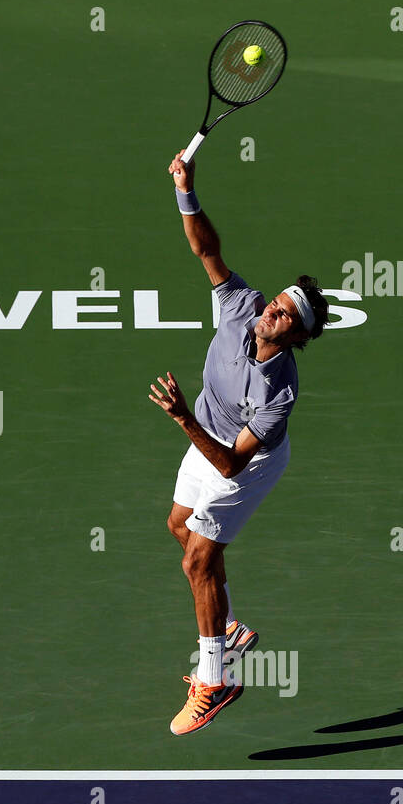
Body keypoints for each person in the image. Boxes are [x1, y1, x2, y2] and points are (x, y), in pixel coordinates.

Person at [148, 149, 329, 736]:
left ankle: (215, 679)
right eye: (273, 302)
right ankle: (229, 631)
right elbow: (207, 250)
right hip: (210, 436)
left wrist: (181, 418)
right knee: (179, 527)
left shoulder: (279, 397)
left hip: (244, 463)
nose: (267, 311)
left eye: (280, 315)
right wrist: (187, 190)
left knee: (199, 556)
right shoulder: (240, 306)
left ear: (295, 336)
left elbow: (228, 462)